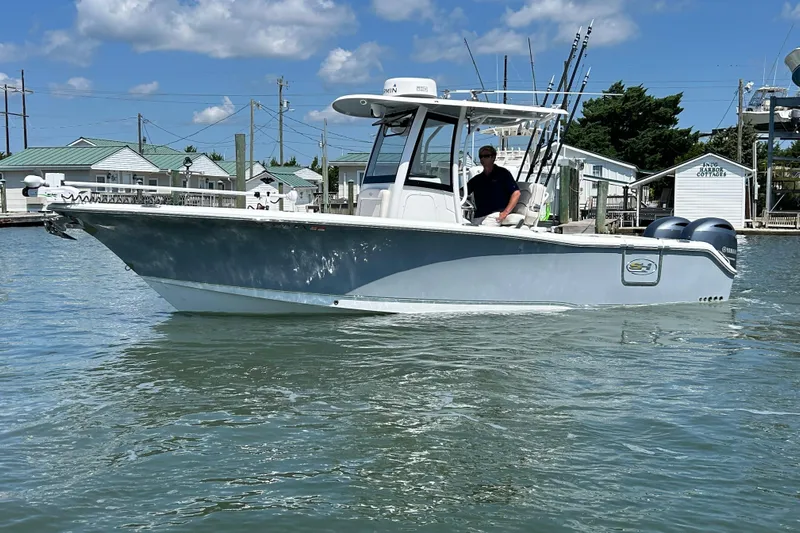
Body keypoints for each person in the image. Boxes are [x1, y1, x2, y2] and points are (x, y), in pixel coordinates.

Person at [467, 145, 521, 225]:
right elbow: (462, 192)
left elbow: (516, 193)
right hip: (479, 216)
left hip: (495, 216)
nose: (482, 159)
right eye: (481, 156)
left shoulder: (503, 174)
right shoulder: (477, 179)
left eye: (486, 156)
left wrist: (505, 213)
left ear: (493, 157)